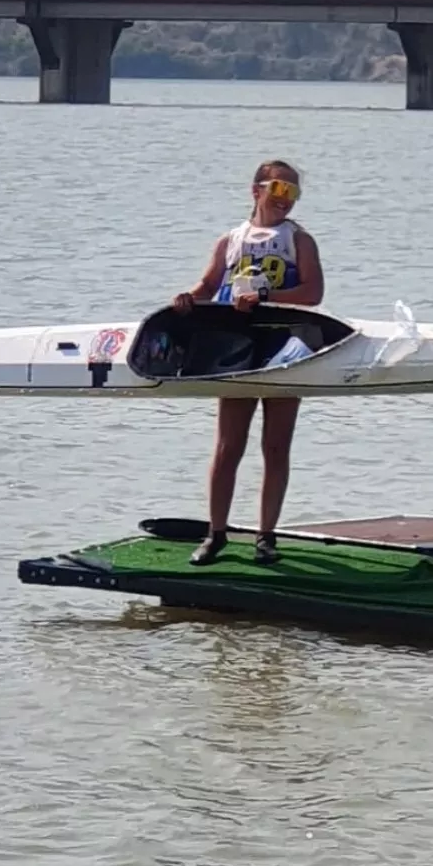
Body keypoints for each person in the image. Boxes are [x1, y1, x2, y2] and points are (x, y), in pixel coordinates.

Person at [170, 159, 325, 566]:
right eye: (278, 189)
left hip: (287, 349)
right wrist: (188, 297)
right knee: (227, 446)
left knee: (276, 446)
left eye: (293, 192)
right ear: (256, 190)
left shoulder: (299, 241)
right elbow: (208, 285)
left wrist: (267, 300)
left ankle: (265, 537)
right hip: (236, 350)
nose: (285, 200)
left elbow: (313, 292)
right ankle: (216, 533)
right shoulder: (230, 240)